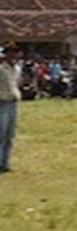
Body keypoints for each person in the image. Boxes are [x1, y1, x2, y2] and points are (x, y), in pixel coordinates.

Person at [0, 42, 22, 174]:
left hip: (13, 101)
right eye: (11, 52)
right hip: (2, 101)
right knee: (1, 134)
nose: (13, 55)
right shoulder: (1, 69)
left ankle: (5, 162)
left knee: (10, 134)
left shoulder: (17, 69)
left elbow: (15, 84)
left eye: (15, 52)